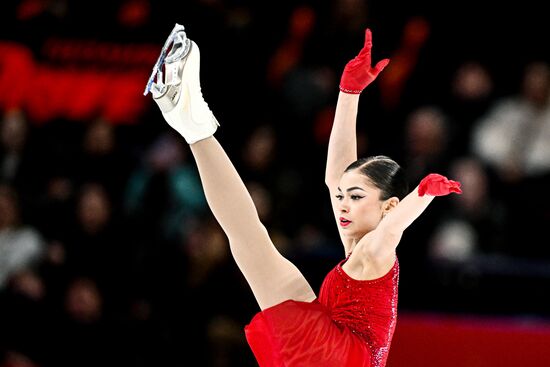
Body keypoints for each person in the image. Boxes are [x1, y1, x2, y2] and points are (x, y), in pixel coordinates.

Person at [145, 24, 462, 367]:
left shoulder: (376, 254)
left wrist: (422, 195)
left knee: (252, 242)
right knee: (250, 239)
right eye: (344, 197)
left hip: (343, 357)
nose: (342, 203)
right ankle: (188, 120)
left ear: (388, 206)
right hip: (342, 351)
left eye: (355, 197)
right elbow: (335, 175)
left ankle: (189, 120)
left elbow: (390, 231)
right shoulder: (359, 244)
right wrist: (348, 93)